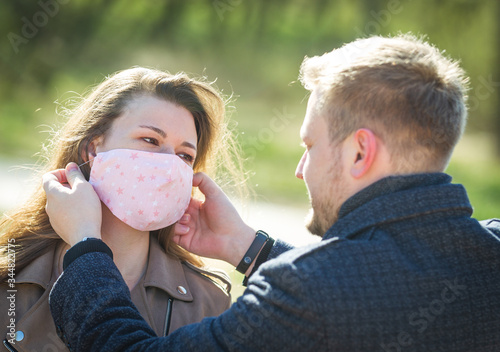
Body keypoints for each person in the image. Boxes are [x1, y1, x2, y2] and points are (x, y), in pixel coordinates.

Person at [47, 34, 500, 351]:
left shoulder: (306, 292)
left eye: (309, 145)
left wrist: (86, 246)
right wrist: (247, 246)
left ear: (361, 152)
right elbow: (383, 283)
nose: (301, 170)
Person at [0, 67, 246, 351]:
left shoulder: (209, 301)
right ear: (93, 149)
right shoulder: (11, 279)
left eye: (184, 155)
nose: (168, 167)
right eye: (151, 140)